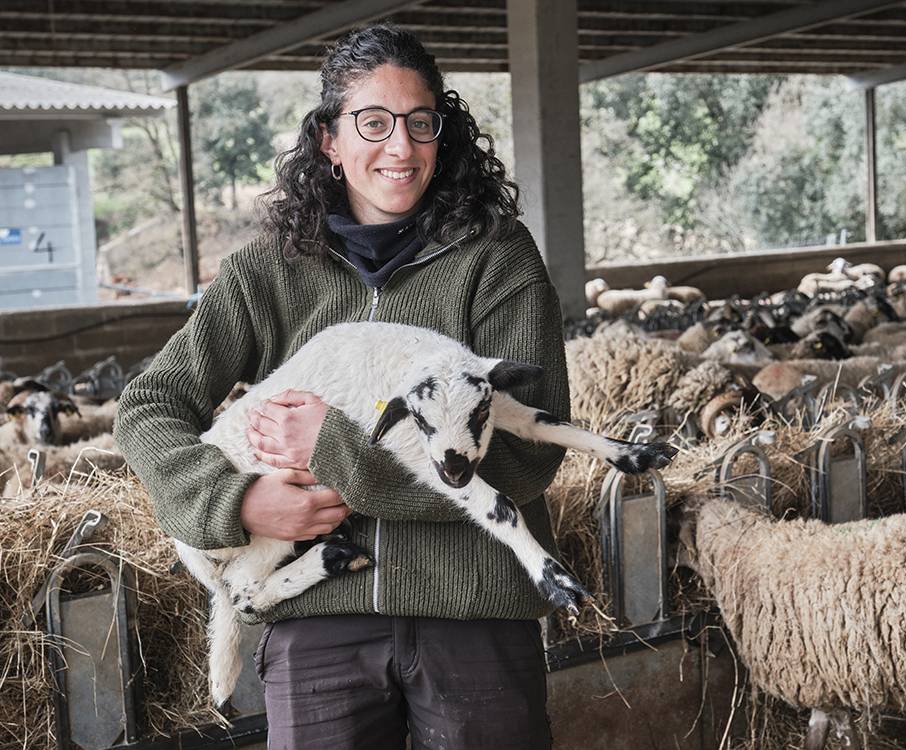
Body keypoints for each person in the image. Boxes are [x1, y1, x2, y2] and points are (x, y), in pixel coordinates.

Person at [113, 24, 568, 749]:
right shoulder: (268, 272)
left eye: (422, 123)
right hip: (318, 622)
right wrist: (236, 501)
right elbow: (148, 406)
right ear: (329, 139)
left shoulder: (496, 258)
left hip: (474, 610)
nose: (401, 147)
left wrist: (338, 453)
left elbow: (524, 461)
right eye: (374, 122)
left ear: (442, 134)